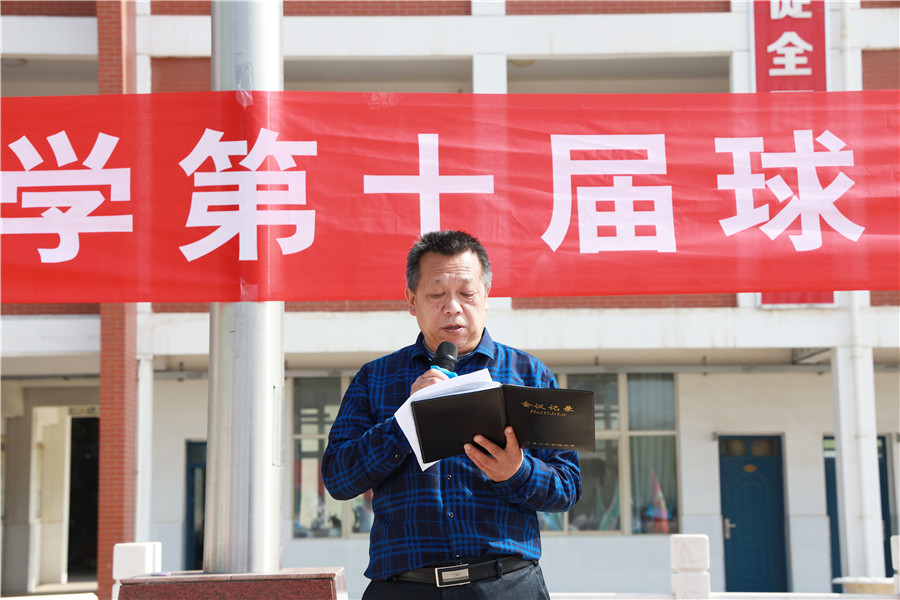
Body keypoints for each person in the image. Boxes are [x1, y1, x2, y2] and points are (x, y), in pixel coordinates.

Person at [321, 230, 581, 599]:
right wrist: (405, 421)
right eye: (436, 294)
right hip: (405, 588)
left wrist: (516, 472)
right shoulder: (375, 378)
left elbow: (567, 487)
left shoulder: (529, 374)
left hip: (505, 584)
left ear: (486, 297)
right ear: (412, 301)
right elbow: (338, 479)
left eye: (467, 293)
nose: (453, 307)